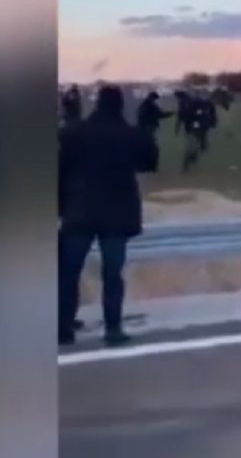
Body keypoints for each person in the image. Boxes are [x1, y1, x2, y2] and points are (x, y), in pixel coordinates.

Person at [58, 85, 158, 347]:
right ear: (120, 105)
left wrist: (60, 205)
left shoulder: (74, 133)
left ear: (97, 104)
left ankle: (63, 328)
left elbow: (61, 169)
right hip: (117, 214)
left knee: (68, 272)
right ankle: (113, 328)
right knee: (112, 274)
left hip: (79, 211)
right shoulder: (129, 135)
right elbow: (149, 163)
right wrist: (147, 129)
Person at [181, 92, 217, 172]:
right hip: (195, 127)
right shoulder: (194, 104)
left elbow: (213, 115)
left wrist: (213, 123)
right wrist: (190, 126)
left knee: (203, 147)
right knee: (194, 146)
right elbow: (189, 116)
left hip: (204, 127)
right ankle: (186, 163)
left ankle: (193, 157)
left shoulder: (209, 105)